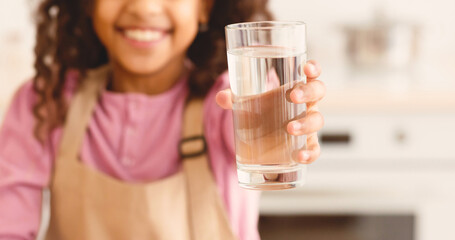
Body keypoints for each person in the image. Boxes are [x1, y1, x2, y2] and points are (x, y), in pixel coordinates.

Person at [0, 0, 325, 239]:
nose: (145, 7)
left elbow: (258, 138)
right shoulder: (43, 104)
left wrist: (281, 131)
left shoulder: (225, 99)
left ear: (206, 8)